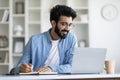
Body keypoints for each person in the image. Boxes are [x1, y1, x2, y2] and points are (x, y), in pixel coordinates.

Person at [14, 5, 77, 74]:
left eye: (70, 25)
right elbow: (18, 67)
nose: (68, 28)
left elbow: (73, 66)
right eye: (63, 24)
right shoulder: (34, 40)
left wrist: (51, 69)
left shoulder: (71, 39)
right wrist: (21, 68)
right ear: (53, 23)